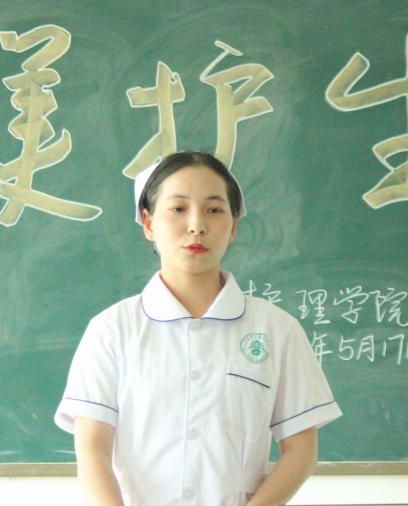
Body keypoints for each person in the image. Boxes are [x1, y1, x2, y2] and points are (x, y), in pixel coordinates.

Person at [54, 151, 341, 505]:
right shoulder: (112, 330)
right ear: (148, 223)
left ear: (233, 226)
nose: (196, 225)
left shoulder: (277, 329)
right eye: (178, 208)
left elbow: (301, 451)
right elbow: (92, 448)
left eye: (214, 210)